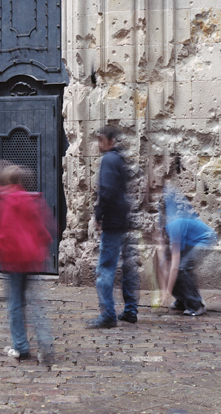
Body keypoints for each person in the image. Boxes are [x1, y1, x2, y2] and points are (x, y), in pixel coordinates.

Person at [0, 164, 54, 364]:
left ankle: (20, 347)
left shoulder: (2, 200)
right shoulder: (30, 198)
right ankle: (46, 344)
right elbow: (42, 228)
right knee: (36, 304)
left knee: (15, 304)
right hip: (31, 258)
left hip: (12, 258)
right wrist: (43, 250)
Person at [88, 125, 139, 328]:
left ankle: (108, 314)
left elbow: (107, 191)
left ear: (112, 141)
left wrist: (99, 215)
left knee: (105, 268)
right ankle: (130, 311)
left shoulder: (109, 159)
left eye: (102, 140)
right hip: (123, 219)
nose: (99, 145)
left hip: (113, 221)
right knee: (128, 268)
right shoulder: (119, 159)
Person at [160, 213, 216, 316]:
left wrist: (167, 292)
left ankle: (196, 305)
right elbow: (166, 262)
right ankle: (182, 301)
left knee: (181, 269)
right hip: (192, 242)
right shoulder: (164, 234)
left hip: (206, 239)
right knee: (163, 264)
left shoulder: (173, 230)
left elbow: (175, 268)